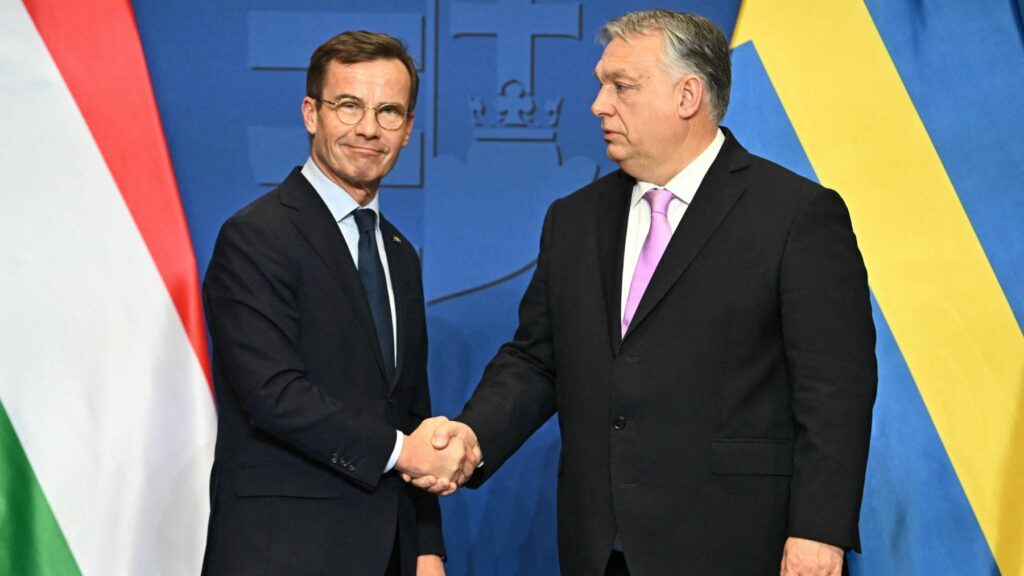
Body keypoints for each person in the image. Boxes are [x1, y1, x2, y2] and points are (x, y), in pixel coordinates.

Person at [417, 9, 877, 576]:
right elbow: (537, 359)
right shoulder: (574, 219)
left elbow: (834, 391)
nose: (598, 104)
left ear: (687, 95)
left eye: (621, 86)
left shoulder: (795, 215)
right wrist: (472, 436)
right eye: (601, 84)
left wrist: (818, 531)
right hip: (599, 546)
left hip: (738, 546)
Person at [201, 30, 473, 576]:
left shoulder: (399, 254)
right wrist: (402, 451)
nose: (369, 128)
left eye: (389, 111)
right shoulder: (256, 236)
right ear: (311, 113)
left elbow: (409, 409)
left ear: (409, 129)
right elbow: (273, 394)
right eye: (349, 105)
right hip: (283, 552)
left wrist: (426, 546)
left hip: (391, 554)